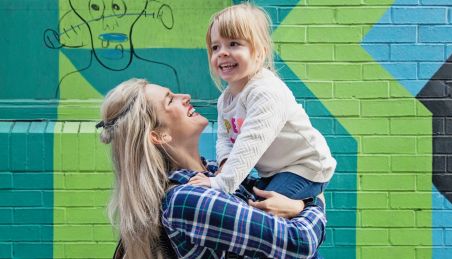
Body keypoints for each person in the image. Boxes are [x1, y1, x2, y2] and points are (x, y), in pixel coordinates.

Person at [97, 78, 327, 259]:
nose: (185, 96)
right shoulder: (186, 200)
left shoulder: (215, 172)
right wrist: (310, 204)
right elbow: (300, 243)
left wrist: (298, 206)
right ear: (159, 135)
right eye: (170, 100)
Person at [189, 3, 336, 203]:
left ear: (259, 51)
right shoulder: (226, 98)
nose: (222, 52)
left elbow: (250, 144)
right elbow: (224, 137)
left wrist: (221, 183)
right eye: (216, 47)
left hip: (304, 167)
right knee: (248, 201)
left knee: (260, 209)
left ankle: (309, 202)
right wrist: (224, 163)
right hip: (273, 171)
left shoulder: (265, 92)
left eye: (233, 43)